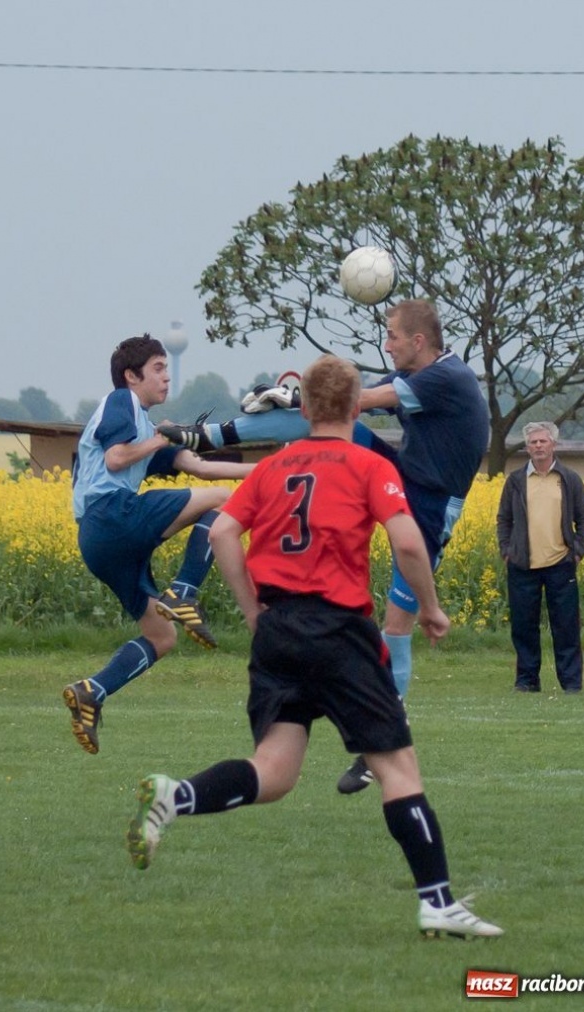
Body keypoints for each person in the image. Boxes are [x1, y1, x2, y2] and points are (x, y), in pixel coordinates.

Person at [127, 355, 503, 939]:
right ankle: (438, 903)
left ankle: (175, 797)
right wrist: (430, 608)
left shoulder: (273, 468)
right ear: (356, 408)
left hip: (279, 632)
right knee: (398, 767)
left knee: (274, 772)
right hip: (339, 632)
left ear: (303, 410)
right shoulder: (366, 464)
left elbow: (223, 531)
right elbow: (408, 543)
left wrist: (253, 611)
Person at [160, 300, 490, 793]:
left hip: (432, 503)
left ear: (419, 341)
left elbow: (362, 399)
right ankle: (205, 435)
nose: (387, 344)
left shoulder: (448, 377)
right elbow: (343, 408)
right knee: (328, 422)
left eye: (393, 336)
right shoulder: (421, 374)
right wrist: (305, 401)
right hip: (405, 476)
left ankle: (379, 742)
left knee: (396, 626)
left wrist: (302, 396)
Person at [63, 334, 254, 754]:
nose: (167, 377)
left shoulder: (146, 430)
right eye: (158, 368)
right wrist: (163, 437)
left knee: (162, 636)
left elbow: (201, 469)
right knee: (224, 503)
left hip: (99, 542)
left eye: (167, 368)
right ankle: (184, 590)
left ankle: (91, 691)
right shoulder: (122, 401)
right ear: (131, 376)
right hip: (111, 515)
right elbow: (115, 458)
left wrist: (273, 468)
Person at [496, 421, 584, 694]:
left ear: (553, 445)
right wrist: (507, 550)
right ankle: (527, 680)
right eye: (533, 442)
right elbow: (504, 518)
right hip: (523, 565)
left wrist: (577, 550)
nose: (538, 446)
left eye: (543, 441)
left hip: (561, 564)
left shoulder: (569, 479)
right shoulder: (516, 481)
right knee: (523, 627)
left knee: (566, 627)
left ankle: (571, 683)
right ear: (527, 448)